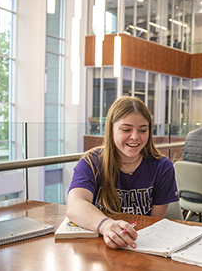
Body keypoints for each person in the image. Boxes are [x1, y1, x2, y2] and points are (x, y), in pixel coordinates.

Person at [67, 96, 179, 249]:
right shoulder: (91, 162)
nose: (135, 137)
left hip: (139, 244)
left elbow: (154, 222)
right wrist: (106, 225)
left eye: (143, 130)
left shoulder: (162, 167)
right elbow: (75, 205)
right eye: (126, 129)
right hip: (98, 246)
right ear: (111, 129)